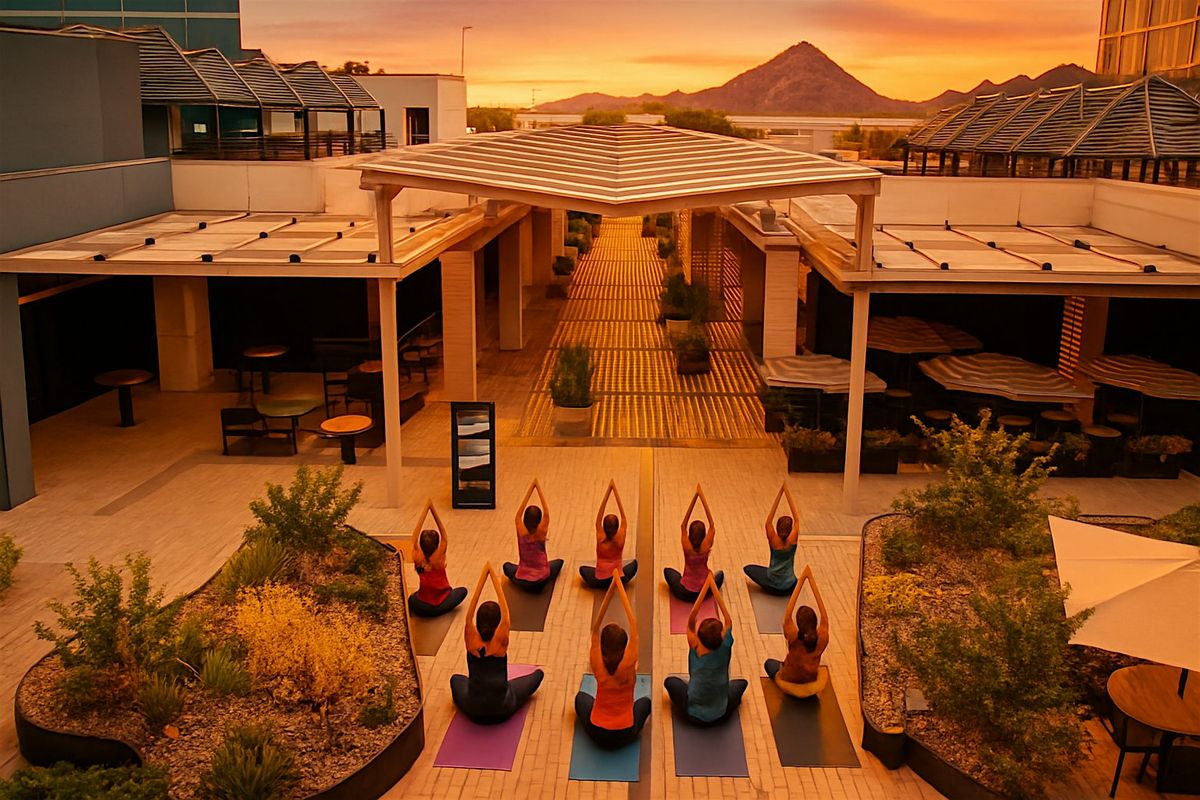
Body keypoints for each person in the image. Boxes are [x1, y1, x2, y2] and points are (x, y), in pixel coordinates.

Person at [450, 561, 545, 724]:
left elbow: (468, 617)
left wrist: (483, 575)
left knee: (455, 679)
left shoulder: (471, 639)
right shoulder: (500, 642)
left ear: (477, 624)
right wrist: (493, 575)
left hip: (474, 709)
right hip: (503, 708)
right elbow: (506, 613)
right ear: (498, 624)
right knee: (538, 675)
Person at [575, 578, 650, 749]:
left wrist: (610, 591)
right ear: (624, 647)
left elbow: (594, 630)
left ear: (602, 646)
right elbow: (634, 628)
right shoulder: (629, 663)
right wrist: (620, 586)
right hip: (626, 732)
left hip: (598, 732)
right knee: (646, 702)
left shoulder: (596, 662)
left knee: (580, 698)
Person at [664, 573, 747, 726]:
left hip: (693, 715)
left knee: (670, 682)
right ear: (721, 637)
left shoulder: (695, 646)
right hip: (721, 713)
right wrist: (713, 587)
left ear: (700, 637)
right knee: (742, 683)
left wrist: (704, 591)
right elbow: (728, 620)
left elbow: (691, 619)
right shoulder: (726, 645)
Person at [764, 565, 830, 699]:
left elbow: (787, 614)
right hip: (811, 684)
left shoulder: (793, 636)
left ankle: (795, 691)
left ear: (798, 625)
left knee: (768, 664)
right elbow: (825, 617)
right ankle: (807, 693)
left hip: (788, 683)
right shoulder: (822, 638)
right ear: (815, 622)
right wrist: (811, 580)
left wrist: (801, 581)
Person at [407, 499, 468, 617]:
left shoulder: (418, 559)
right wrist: (433, 510)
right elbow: (445, 537)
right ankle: (440, 610)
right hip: (442, 604)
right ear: (437, 545)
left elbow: (413, 537)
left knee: (412, 598)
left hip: (423, 607)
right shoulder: (439, 559)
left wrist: (425, 511)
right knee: (463, 591)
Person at [503, 478, 564, 593]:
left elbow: (517, 516)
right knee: (559, 562)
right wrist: (538, 489)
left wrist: (530, 491)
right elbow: (546, 513)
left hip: (523, 579)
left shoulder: (521, 531)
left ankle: (523, 584)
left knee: (506, 566)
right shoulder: (541, 532)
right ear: (539, 520)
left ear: (525, 519)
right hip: (541, 580)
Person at [663, 484, 723, 601]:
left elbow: (683, 525)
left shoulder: (687, 546)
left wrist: (695, 497)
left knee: (667, 571)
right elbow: (712, 524)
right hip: (704, 591)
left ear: (690, 534)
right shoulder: (706, 546)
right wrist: (702, 497)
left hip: (685, 592)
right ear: (704, 535)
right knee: (721, 575)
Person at [743, 483, 800, 596]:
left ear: (777, 528)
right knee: (792, 578)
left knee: (748, 568)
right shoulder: (793, 540)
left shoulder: (774, 540)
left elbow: (768, 522)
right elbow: (797, 519)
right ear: (790, 530)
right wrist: (788, 495)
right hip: (789, 586)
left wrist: (779, 496)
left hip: (773, 585)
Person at [580, 480, 638, 588]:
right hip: (618, 580)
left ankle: (603, 585)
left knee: (582, 569)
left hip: (600, 580)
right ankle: (614, 583)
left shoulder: (600, 537)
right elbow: (624, 518)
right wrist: (615, 491)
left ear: (604, 527)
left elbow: (598, 519)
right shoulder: (620, 538)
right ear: (617, 528)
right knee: (634, 564)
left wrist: (608, 491)